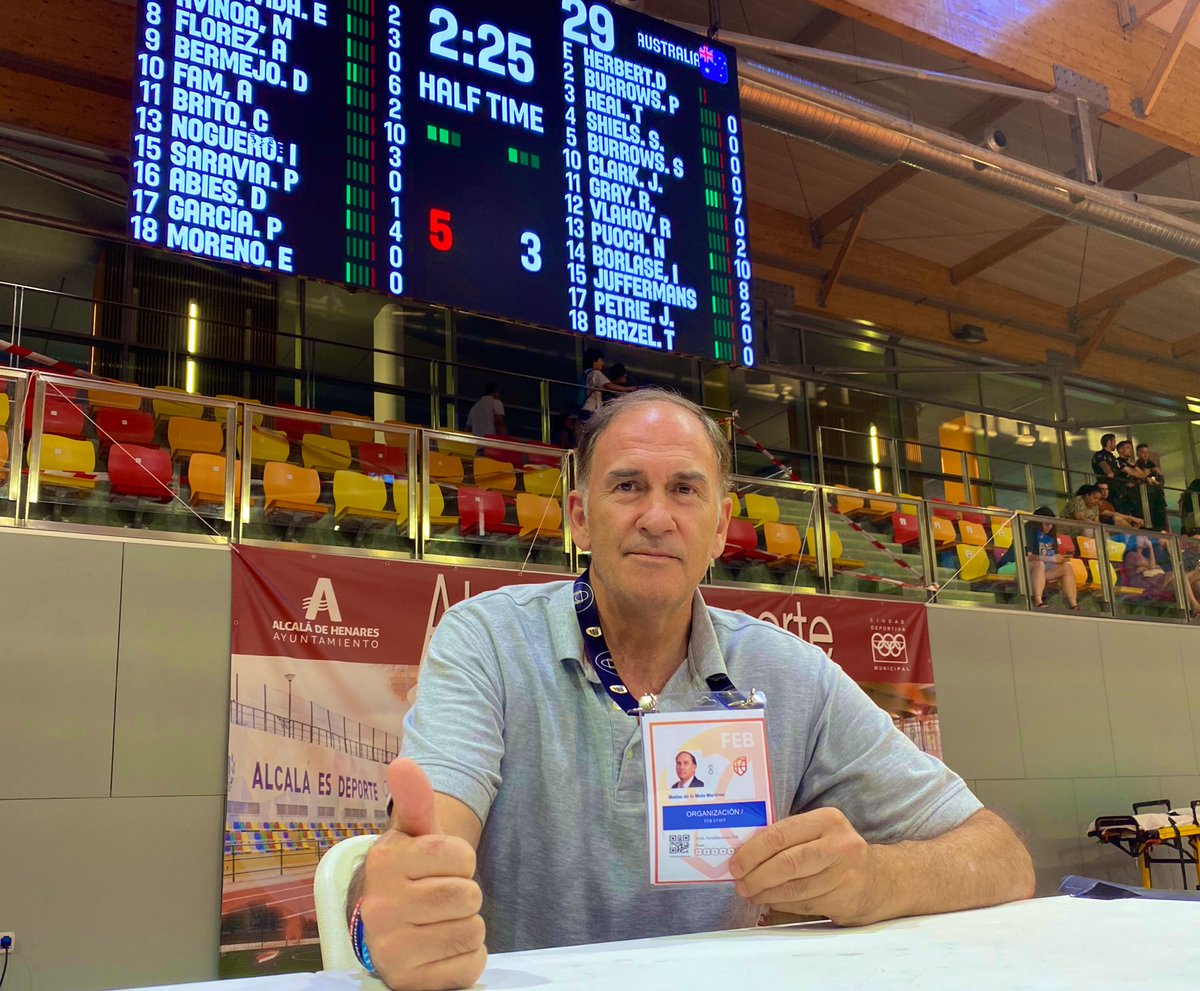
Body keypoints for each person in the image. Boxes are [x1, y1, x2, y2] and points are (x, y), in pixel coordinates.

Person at [352, 390, 1033, 991]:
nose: (656, 515)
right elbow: (423, 853)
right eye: (626, 486)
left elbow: (1001, 857)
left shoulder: (792, 673)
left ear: (719, 524)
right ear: (580, 518)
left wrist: (873, 880)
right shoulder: (488, 643)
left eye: (684, 489)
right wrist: (391, 909)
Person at [1024, 507, 1079, 610]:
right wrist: (1051, 559)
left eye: (1051, 524)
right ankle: (1038, 601)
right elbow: (1028, 556)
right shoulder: (1029, 529)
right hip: (1017, 566)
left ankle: (1073, 604)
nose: (1050, 527)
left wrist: (1060, 559)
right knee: (1039, 564)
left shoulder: (1050, 534)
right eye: (1047, 524)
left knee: (1066, 567)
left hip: (1040, 571)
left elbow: (1052, 556)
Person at [580, 348, 632, 420]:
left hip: (586, 409)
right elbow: (608, 385)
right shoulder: (596, 373)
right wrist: (629, 389)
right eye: (601, 360)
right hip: (591, 411)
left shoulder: (587, 374)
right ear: (594, 361)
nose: (603, 363)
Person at [1134, 444, 1168, 531]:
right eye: (1142, 452)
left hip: (1158, 496)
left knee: (1160, 518)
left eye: (1147, 452)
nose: (1145, 454)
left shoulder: (1153, 465)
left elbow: (1161, 480)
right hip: (1145, 497)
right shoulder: (1136, 466)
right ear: (1137, 453)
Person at [1114, 440, 1149, 519]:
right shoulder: (1118, 462)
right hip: (1123, 496)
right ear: (1120, 450)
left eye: (1131, 448)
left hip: (1134, 496)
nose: (1130, 450)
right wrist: (1139, 473)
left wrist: (1136, 468)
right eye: (1127, 447)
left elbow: (1143, 474)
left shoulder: (1131, 463)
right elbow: (1133, 472)